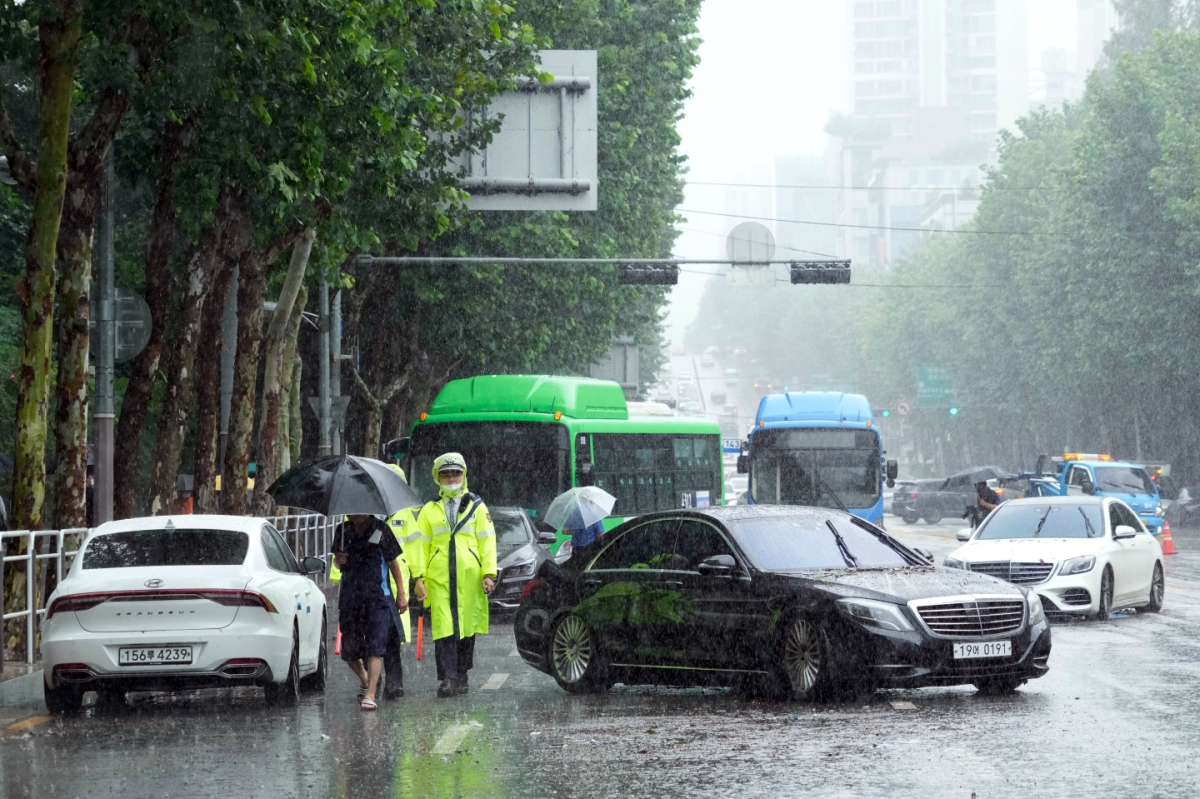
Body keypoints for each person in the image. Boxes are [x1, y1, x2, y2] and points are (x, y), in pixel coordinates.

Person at [411, 453, 497, 698]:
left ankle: (462, 674)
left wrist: (489, 573)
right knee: (444, 628)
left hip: (469, 579)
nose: (451, 478)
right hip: (439, 578)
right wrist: (418, 577)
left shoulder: (477, 507)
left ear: (464, 475)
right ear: (437, 478)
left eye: (456, 473)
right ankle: (448, 677)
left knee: (466, 629)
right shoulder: (429, 510)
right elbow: (420, 546)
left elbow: (487, 540)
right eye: (446, 474)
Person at [331, 513, 408, 710]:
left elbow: (393, 563)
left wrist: (400, 593)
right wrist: (339, 560)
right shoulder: (342, 531)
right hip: (350, 598)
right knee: (350, 651)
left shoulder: (381, 529)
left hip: (377, 598)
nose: (350, 514)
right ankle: (365, 680)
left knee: (376, 648)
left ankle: (371, 693)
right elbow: (337, 563)